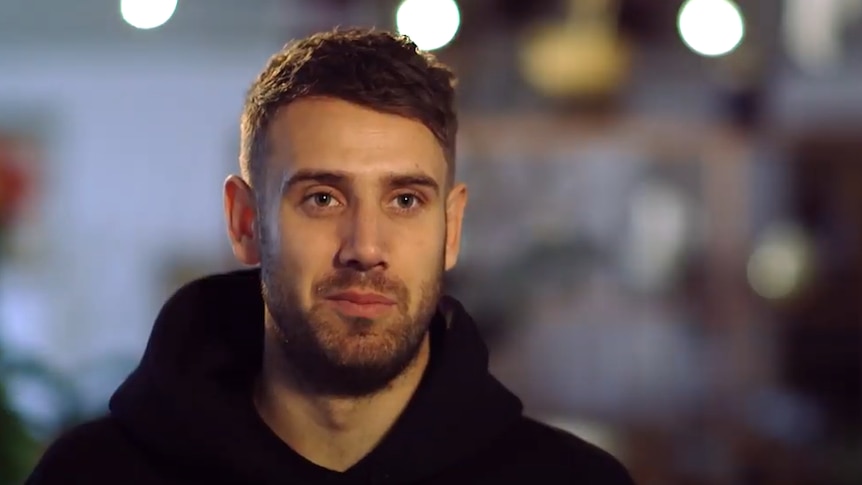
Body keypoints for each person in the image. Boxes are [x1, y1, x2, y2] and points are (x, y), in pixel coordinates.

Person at [26, 28, 635, 484]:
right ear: (245, 222)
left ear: (451, 228)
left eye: (404, 200)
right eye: (321, 197)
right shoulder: (93, 474)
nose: (365, 248)